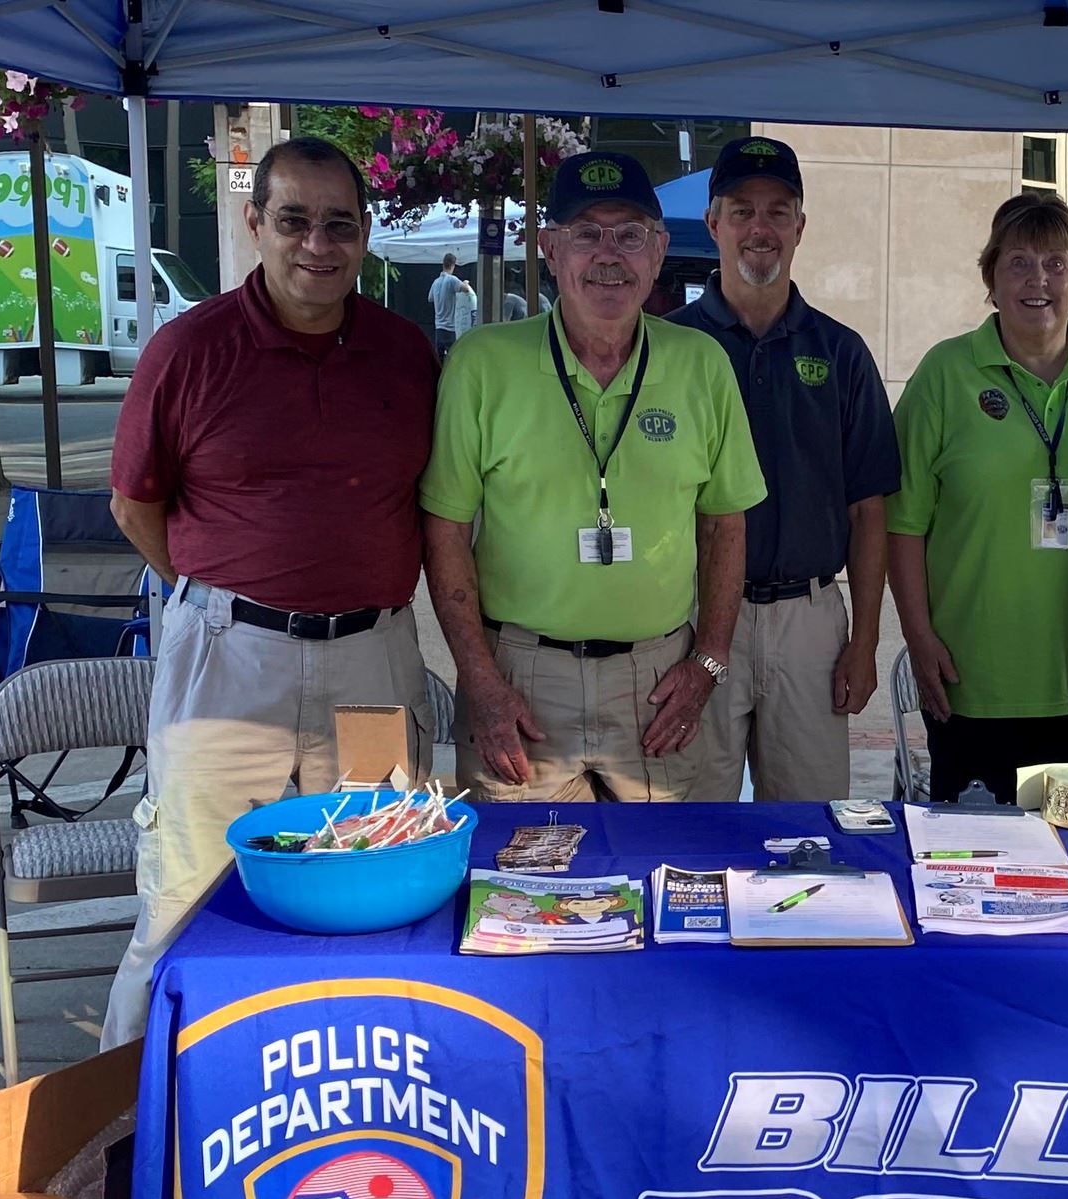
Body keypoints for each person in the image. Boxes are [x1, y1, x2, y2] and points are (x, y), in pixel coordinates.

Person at [100, 137, 437, 1047]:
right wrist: (223, 597)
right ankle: (122, 1147)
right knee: (181, 901)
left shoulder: (408, 356)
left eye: (339, 224)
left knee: (375, 887)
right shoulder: (188, 349)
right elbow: (136, 507)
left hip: (373, 662)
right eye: (293, 220)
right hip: (227, 663)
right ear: (257, 224)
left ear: (365, 235)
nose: (316, 245)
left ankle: (355, 1106)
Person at [420, 150, 765, 803]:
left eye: (630, 235)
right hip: (521, 678)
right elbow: (444, 530)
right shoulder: (483, 365)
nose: (610, 255)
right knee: (523, 891)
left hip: (658, 680)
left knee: (660, 879)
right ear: (550, 248)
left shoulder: (702, 364)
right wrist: (481, 681)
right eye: (587, 234)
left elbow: (724, 524)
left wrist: (709, 663)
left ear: (659, 251)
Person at [668, 135, 898, 802]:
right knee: (695, 819)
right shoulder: (672, 347)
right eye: (742, 211)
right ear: (714, 224)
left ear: (800, 226)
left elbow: (869, 509)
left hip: (810, 619)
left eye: (778, 211)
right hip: (695, 618)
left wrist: (866, 642)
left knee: (807, 827)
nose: (759, 229)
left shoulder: (842, 352)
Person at [887, 191, 1068, 803]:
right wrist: (919, 636)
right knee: (971, 867)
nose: (1039, 280)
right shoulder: (944, 375)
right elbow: (902, 525)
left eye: (1057, 264)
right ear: (991, 280)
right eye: (1019, 263)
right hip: (969, 677)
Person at [430, 253, 465, 359]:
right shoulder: (452, 280)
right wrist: (466, 282)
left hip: (439, 327)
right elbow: (465, 289)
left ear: (443, 264)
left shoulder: (435, 282)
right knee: (453, 359)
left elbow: (430, 298)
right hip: (450, 328)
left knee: (439, 360)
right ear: (453, 265)